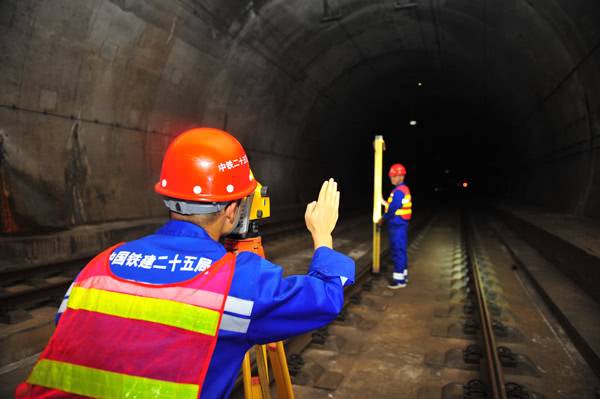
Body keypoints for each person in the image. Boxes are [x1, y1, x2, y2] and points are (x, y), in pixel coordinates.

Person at [16, 127, 355, 399]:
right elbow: (326, 297)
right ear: (232, 211)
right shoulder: (237, 283)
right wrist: (322, 233)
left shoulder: (98, 266)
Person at [380, 163, 412, 289]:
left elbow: (393, 208)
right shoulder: (402, 189)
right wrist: (382, 201)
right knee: (401, 250)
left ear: (401, 176)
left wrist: (383, 219)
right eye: (391, 176)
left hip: (397, 225)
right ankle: (403, 276)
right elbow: (392, 205)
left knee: (398, 251)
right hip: (400, 224)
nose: (392, 178)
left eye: (394, 176)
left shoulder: (399, 191)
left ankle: (399, 281)